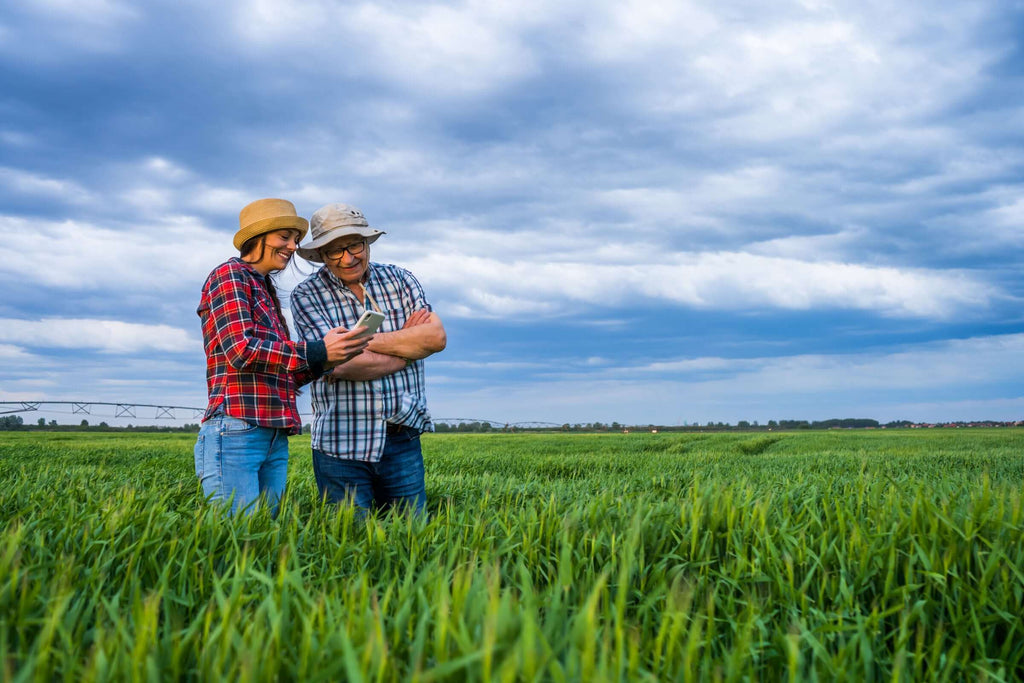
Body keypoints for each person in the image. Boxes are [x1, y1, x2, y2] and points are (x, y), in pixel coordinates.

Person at [194, 198, 370, 516]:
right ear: (257, 238)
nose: (292, 246)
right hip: (237, 427)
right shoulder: (230, 275)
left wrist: (331, 355)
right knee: (236, 538)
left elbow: (281, 370)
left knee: (263, 537)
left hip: (273, 431)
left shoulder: (267, 290)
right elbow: (241, 350)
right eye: (284, 237)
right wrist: (318, 350)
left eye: (295, 239)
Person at [290, 203, 446, 516]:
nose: (348, 258)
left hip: (401, 436)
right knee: (349, 546)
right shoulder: (305, 295)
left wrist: (359, 341)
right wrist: (407, 351)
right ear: (321, 254)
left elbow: (435, 338)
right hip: (340, 444)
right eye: (335, 251)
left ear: (367, 243)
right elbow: (343, 364)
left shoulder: (400, 280)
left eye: (355, 245)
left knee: (412, 541)